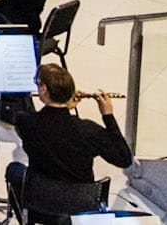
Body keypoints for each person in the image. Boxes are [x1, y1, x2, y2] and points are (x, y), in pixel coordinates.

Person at [9, 64, 132, 210]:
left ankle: (24, 216)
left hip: (40, 201)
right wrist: (108, 115)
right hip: (81, 203)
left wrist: (64, 107)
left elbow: (48, 127)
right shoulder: (89, 130)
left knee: (14, 169)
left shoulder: (25, 121)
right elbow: (124, 159)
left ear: (43, 89)